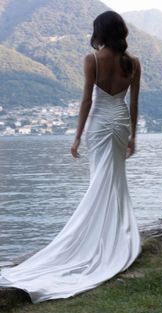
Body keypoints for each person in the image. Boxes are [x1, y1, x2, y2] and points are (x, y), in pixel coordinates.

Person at [0, 11, 142, 303]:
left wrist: (77, 136)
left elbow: (87, 100)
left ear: (99, 32)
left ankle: (97, 242)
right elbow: (134, 104)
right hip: (120, 125)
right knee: (114, 182)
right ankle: (115, 239)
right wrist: (133, 136)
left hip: (100, 125)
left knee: (100, 181)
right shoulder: (134, 62)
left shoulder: (92, 60)